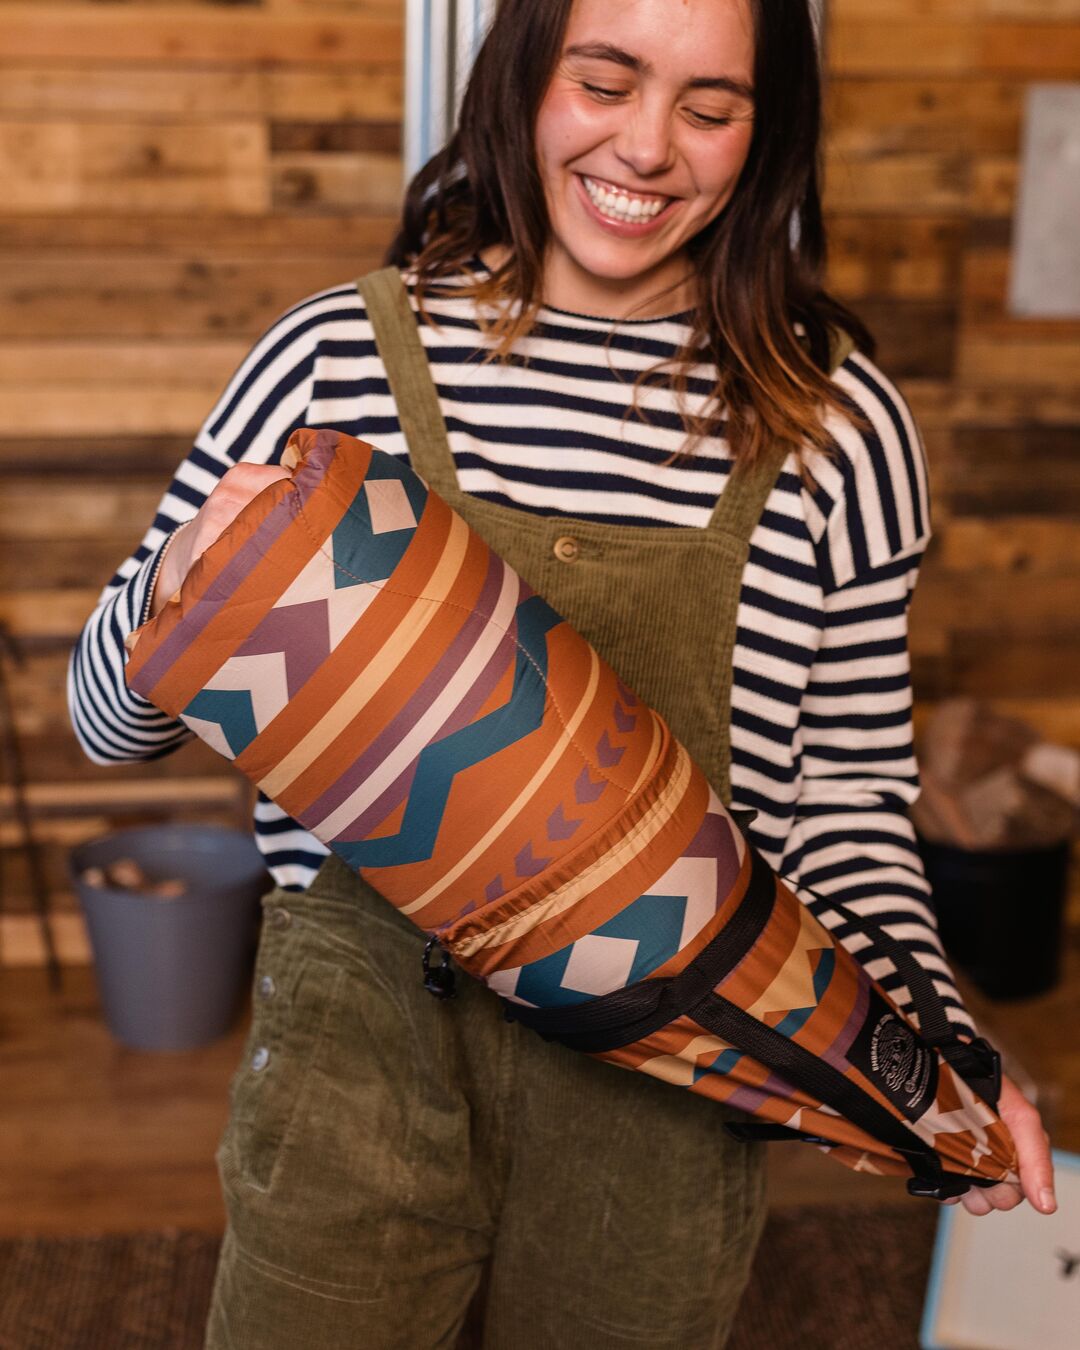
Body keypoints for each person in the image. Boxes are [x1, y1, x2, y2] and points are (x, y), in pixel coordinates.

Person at [69, 0, 1055, 1345]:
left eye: (710, 107)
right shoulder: (333, 361)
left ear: (767, 131)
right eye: (604, 82)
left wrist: (934, 1040)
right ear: (526, 78)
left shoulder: (838, 428)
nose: (647, 147)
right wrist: (183, 588)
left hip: (665, 1104)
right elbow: (106, 728)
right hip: (355, 1072)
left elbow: (844, 805)